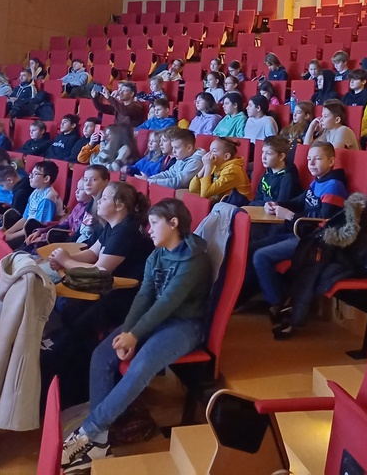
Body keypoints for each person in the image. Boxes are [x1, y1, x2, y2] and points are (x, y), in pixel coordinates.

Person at [60, 199, 211, 474]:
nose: (148, 229)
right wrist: (129, 332)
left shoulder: (195, 259)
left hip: (184, 324)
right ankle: (100, 440)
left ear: (174, 223)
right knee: (102, 355)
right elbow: (144, 297)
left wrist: (135, 335)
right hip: (155, 318)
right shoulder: (157, 255)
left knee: (141, 365)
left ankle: (89, 432)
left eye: (154, 223)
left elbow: (167, 303)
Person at [44, 182, 154, 407]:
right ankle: (67, 379)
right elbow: (93, 254)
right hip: (108, 290)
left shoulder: (127, 230)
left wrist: (66, 261)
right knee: (69, 311)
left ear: (119, 205)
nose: (99, 201)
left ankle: (76, 389)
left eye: (104, 198)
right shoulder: (113, 225)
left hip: (127, 298)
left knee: (77, 324)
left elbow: (100, 271)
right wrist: (65, 260)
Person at [251, 142, 349, 331]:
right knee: (254, 247)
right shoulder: (317, 181)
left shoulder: (334, 185)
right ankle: (278, 298)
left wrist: (289, 215)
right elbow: (298, 201)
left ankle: (279, 304)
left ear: (331, 161)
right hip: (298, 232)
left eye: (317, 159)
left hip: (313, 241)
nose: (311, 163)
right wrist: (276, 204)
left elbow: (323, 220)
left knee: (260, 256)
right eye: (309, 159)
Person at [188, 137, 253, 204]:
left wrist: (208, 166)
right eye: (209, 150)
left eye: (214, 151)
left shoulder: (232, 170)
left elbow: (205, 194)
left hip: (239, 205)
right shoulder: (215, 165)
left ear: (226, 156)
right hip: (221, 201)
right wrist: (205, 166)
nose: (209, 154)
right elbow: (193, 189)